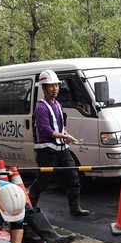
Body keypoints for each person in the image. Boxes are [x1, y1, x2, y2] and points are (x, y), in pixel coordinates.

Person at [28, 69, 90, 216]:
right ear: (44, 88)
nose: (55, 88)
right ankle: (29, 210)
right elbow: (46, 130)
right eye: (51, 86)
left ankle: (75, 209)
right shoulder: (41, 107)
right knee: (43, 181)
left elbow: (61, 127)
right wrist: (64, 136)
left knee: (73, 176)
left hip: (62, 148)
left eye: (56, 85)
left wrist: (69, 136)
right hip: (47, 150)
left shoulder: (57, 105)